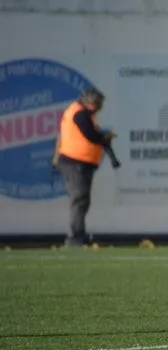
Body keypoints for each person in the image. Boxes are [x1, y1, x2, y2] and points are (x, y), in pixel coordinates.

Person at [53, 89, 116, 248]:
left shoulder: (81, 113)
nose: (99, 107)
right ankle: (75, 237)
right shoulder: (80, 114)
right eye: (98, 104)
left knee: (82, 200)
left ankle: (78, 234)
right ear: (90, 102)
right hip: (75, 163)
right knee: (79, 199)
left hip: (79, 163)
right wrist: (104, 137)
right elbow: (90, 135)